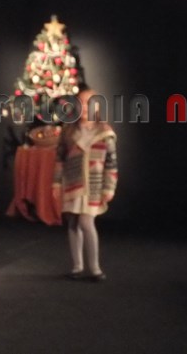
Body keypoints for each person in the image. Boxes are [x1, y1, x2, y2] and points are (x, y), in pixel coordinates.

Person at [53, 87, 118, 281]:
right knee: (73, 222)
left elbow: (111, 163)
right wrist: (56, 183)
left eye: (89, 103)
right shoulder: (68, 131)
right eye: (81, 102)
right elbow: (59, 159)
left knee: (86, 221)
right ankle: (77, 266)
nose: (84, 107)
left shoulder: (104, 132)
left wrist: (109, 187)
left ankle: (95, 268)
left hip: (93, 185)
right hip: (73, 182)